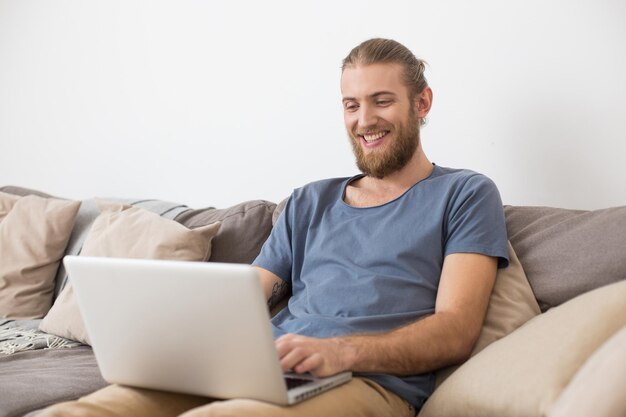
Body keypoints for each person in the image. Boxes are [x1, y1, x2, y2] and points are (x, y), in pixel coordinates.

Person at [40, 38, 509, 417]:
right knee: (85, 411)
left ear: (422, 102)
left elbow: (455, 329)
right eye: (351, 105)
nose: (364, 120)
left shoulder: (465, 194)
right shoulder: (310, 200)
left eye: (382, 101)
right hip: (266, 369)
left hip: (368, 383)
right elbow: (249, 292)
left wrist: (343, 353)